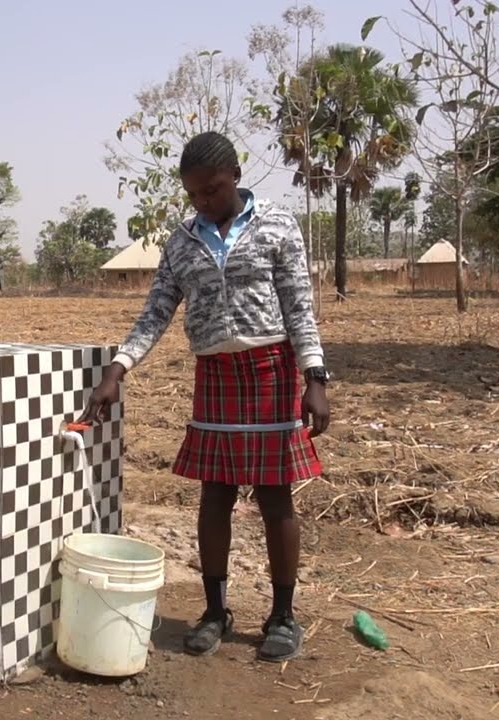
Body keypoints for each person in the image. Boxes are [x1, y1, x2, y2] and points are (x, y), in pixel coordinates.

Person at [78, 131, 331, 662]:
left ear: (235, 175)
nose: (203, 202)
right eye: (193, 195)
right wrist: (117, 371)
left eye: (211, 190)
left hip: (271, 370)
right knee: (214, 493)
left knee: (273, 494)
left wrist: (315, 377)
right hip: (214, 373)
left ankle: (282, 617)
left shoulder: (278, 226)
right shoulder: (182, 242)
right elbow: (156, 312)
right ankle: (215, 611)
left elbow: (299, 307)